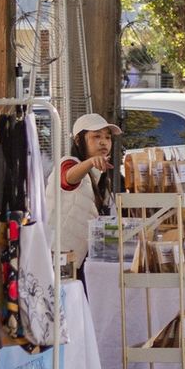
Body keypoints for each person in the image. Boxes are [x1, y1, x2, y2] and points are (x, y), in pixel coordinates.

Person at [45, 112, 121, 266]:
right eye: (96, 136)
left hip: (77, 259)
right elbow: (68, 178)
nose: (104, 142)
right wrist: (91, 162)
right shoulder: (68, 162)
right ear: (79, 140)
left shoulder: (100, 176)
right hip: (55, 256)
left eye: (107, 137)